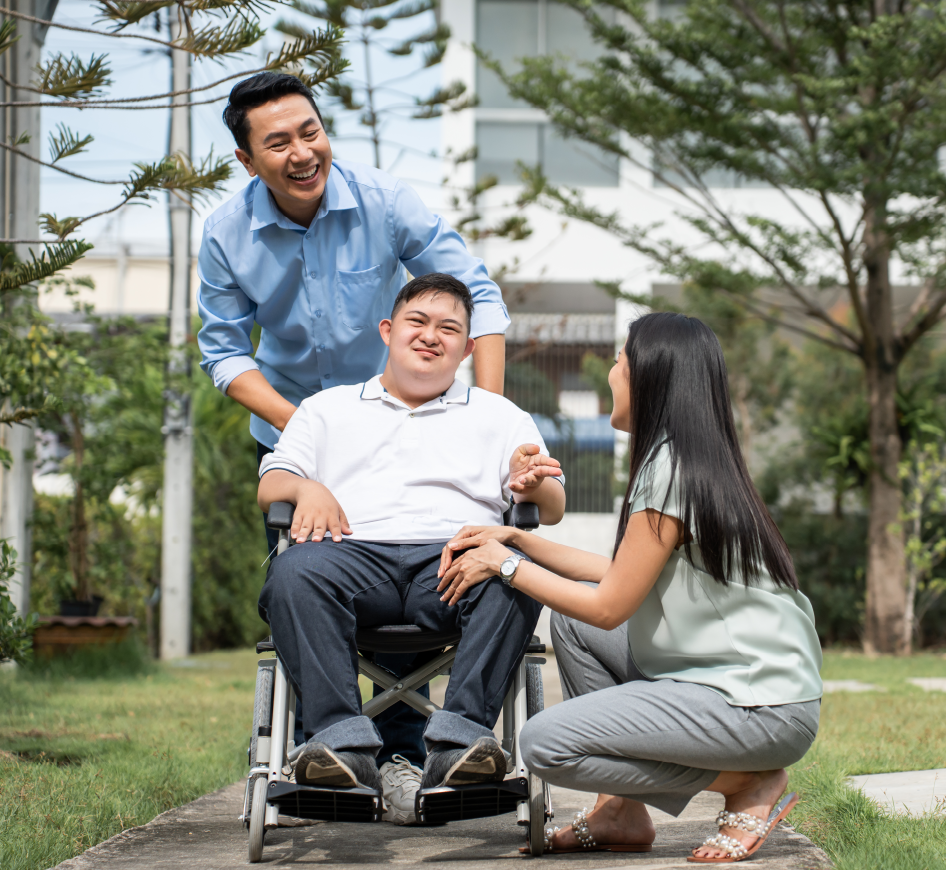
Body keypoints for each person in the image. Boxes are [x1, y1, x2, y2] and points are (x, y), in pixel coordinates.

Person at [197, 72, 513, 821]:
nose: (303, 152)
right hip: (297, 431)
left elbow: (480, 296)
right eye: (278, 142)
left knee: (417, 550)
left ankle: (404, 747)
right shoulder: (224, 234)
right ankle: (332, 748)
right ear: (248, 161)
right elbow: (224, 355)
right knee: (313, 578)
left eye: (310, 131)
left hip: (409, 427)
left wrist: (488, 415)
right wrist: (314, 427)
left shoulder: (385, 201)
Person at [436, 312, 822, 863]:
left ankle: (747, 781)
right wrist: (516, 542)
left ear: (650, 375)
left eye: (620, 360)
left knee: (545, 743)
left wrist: (504, 568)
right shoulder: (685, 458)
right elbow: (616, 573)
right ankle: (620, 809)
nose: (612, 374)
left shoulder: (667, 469)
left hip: (757, 706)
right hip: (752, 691)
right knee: (570, 624)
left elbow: (611, 606)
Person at [256, 274, 566, 803]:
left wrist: (534, 483)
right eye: (417, 322)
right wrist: (306, 488)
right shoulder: (327, 408)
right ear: (387, 330)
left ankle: (460, 743)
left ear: (467, 348)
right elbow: (271, 484)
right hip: (350, 555)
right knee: (292, 570)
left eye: (449, 328)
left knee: (512, 573)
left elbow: (551, 507)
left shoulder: (500, 416)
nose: (430, 336)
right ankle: (338, 747)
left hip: (454, 560)